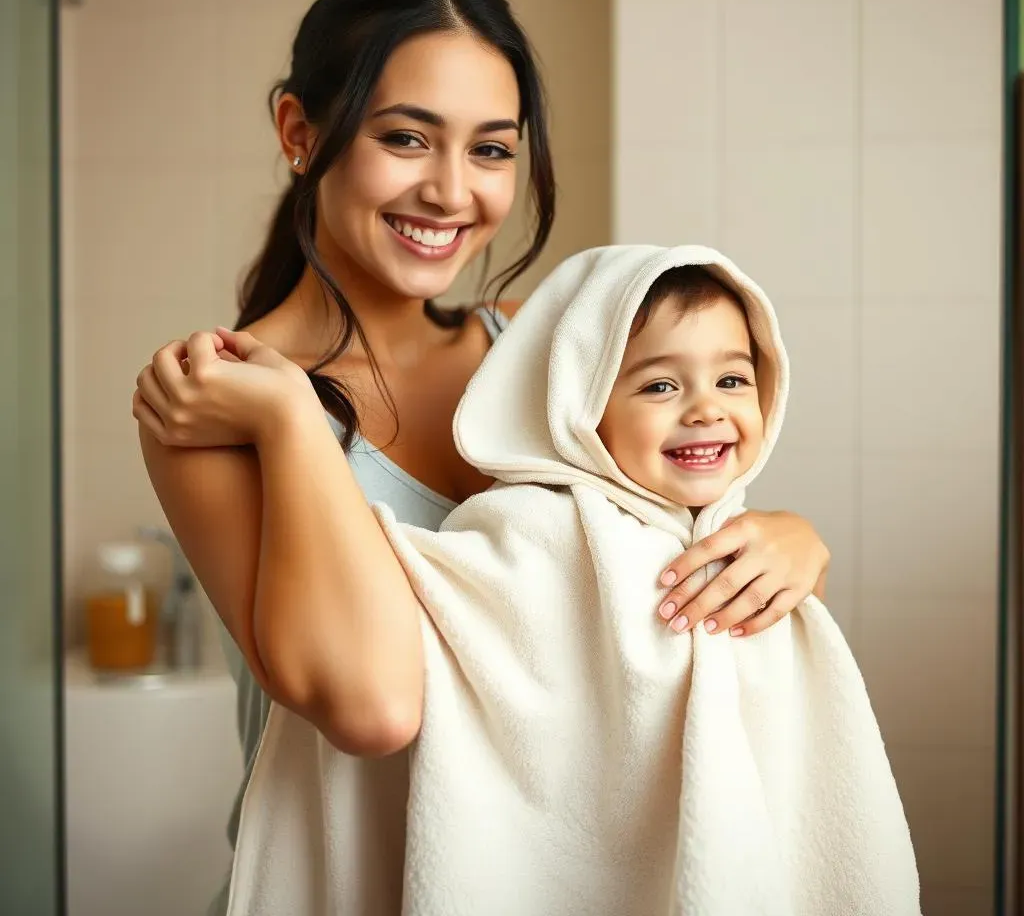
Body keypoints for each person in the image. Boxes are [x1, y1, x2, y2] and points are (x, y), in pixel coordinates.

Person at [131, 0, 830, 916]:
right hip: (343, 884)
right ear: (300, 132)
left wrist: (790, 542)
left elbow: (671, 525)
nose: (451, 191)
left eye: (491, 149)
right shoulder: (215, 404)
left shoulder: (529, 350)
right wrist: (292, 421)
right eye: (404, 137)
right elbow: (371, 706)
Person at [220, 245, 920, 916]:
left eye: (732, 379)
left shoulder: (729, 535)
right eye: (661, 386)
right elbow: (407, 605)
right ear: (581, 412)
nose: (706, 407)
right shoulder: (529, 528)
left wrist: (799, 540)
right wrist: (291, 430)